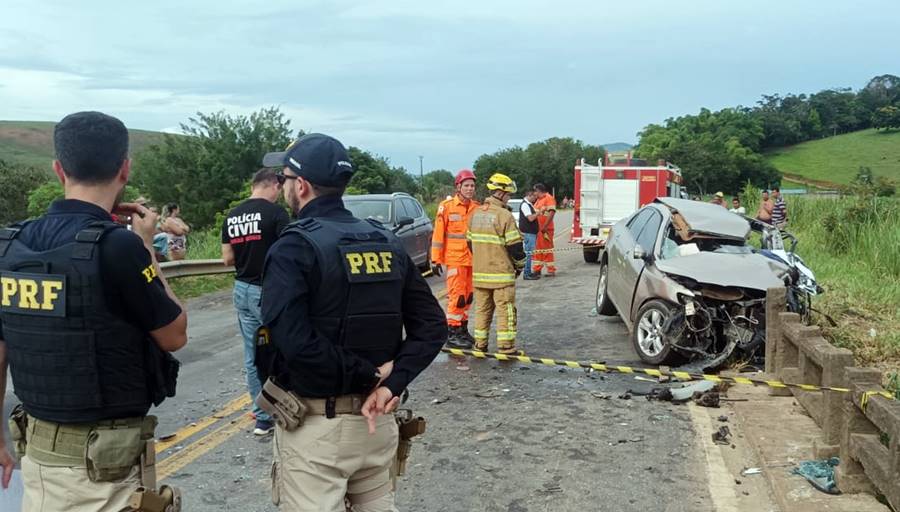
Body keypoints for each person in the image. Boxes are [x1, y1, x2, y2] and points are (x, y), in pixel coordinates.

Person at [0, 111, 187, 510]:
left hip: (38, 461)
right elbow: (175, 334)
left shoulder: (9, 245)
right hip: (102, 473)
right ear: (125, 169)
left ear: (58, 169)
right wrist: (146, 247)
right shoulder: (119, 246)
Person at [258, 133, 446, 511]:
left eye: (284, 179)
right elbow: (432, 326)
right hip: (377, 424)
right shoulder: (385, 241)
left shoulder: (294, 246)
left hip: (317, 431)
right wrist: (391, 383)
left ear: (301, 185)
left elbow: (294, 341)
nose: (283, 186)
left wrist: (369, 376)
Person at [221, 168, 290, 435]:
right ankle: (288, 407)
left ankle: (262, 417)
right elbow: (289, 252)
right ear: (273, 185)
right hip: (269, 289)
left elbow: (227, 258)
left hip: (242, 288)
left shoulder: (232, 215)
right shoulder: (276, 214)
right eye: (279, 188)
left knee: (253, 354)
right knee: (284, 347)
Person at [467, 173, 526, 354]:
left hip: (480, 274)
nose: (509, 198)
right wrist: (520, 265)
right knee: (505, 311)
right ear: (500, 193)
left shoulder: (475, 214)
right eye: (508, 194)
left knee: (482, 310)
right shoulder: (504, 215)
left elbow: (470, 244)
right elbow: (515, 247)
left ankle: (480, 345)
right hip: (501, 275)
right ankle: (506, 347)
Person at [430, 169, 479, 349]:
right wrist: (435, 259)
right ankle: (452, 333)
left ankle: (462, 330)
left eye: (472, 185)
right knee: (457, 296)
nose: (470, 189)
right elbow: (438, 235)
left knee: (468, 297)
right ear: (458, 187)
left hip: (471, 260)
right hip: (455, 259)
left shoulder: (476, 207)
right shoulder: (447, 207)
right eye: (466, 185)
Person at [531, 183, 557, 276]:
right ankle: (537, 269)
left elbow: (552, 212)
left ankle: (551, 270)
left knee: (547, 249)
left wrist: (545, 226)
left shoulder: (548, 198)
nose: (534, 193)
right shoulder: (538, 200)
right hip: (538, 229)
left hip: (545, 229)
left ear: (538, 191)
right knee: (538, 250)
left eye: (534, 191)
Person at [518, 189, 540, 280]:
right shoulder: (525, 205)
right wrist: (538, 213)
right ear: (529, 195)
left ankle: (528, 272)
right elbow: (530, 218)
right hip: (528, 233)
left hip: (531, 232)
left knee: (530, 254)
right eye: (534, 196)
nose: (536, 198)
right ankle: (527, 274)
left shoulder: (529, 204)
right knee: (528, 254)